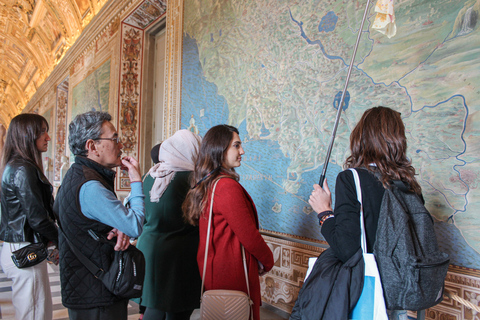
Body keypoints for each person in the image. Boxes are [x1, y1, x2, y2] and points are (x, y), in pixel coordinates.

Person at [308, 106, 423, 320]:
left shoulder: (351, 178)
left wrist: (324, 212)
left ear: (361, 136)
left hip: (368, 289)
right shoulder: (409, 184)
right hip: (401, 292)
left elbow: (347, 250)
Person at [54, 111, 145, 320]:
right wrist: (136, 180)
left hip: (83, 287)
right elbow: (135, 226)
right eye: (114, 139)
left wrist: (112, 226)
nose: (120, 145)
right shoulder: (90, 186)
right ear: (92, 146)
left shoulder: (75, 174)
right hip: (97, 294)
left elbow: (81, 221)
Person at [183, 124, 274, 320]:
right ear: (220, 149)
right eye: (236, 145)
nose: (242, 151)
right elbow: (249, 235)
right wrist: (268, 261)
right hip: (232, 273)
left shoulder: (212, 183)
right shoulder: (226, 186)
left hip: (218, 269)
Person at [137, 130, 202, 320]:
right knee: (177, 313)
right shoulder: (192, 179)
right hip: (179, 255)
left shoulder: (149, 175)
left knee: (154, 307)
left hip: (149, 249)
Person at [0, 114, 58, 320]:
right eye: (42, 131)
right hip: (25, 249)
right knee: (34, 314)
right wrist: (62, 239)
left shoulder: (17, 165)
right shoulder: (22, 168)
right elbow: (38, 218)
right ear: (27, 134)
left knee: (34, 311)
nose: (48, 137)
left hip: (23, 247)